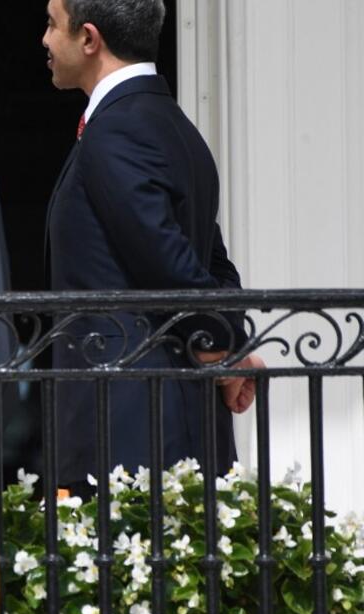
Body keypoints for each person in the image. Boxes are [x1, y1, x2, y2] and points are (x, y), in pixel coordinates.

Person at [41, 0, 263, 491]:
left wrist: (219, 350)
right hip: (169, 415)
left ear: (89, 39)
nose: (45, 40)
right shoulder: (171, 122)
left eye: (53, 24)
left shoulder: (119, 128)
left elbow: (169, 258)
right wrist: (230, 347)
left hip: (132, 425)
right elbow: (212, 261)